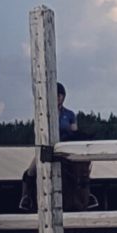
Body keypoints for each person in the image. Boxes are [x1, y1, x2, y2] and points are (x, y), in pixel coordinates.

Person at [19, 82, 93, 211]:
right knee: (31, 171)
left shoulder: (70, 114)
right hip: (48, 149)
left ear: (63, 97)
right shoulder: (44, 114)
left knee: (82, 171)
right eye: (56, 95)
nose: (58, 98)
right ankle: (27, 198)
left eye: (60, 95)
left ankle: (88, 197)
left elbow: (74, 132)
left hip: (65, 149)